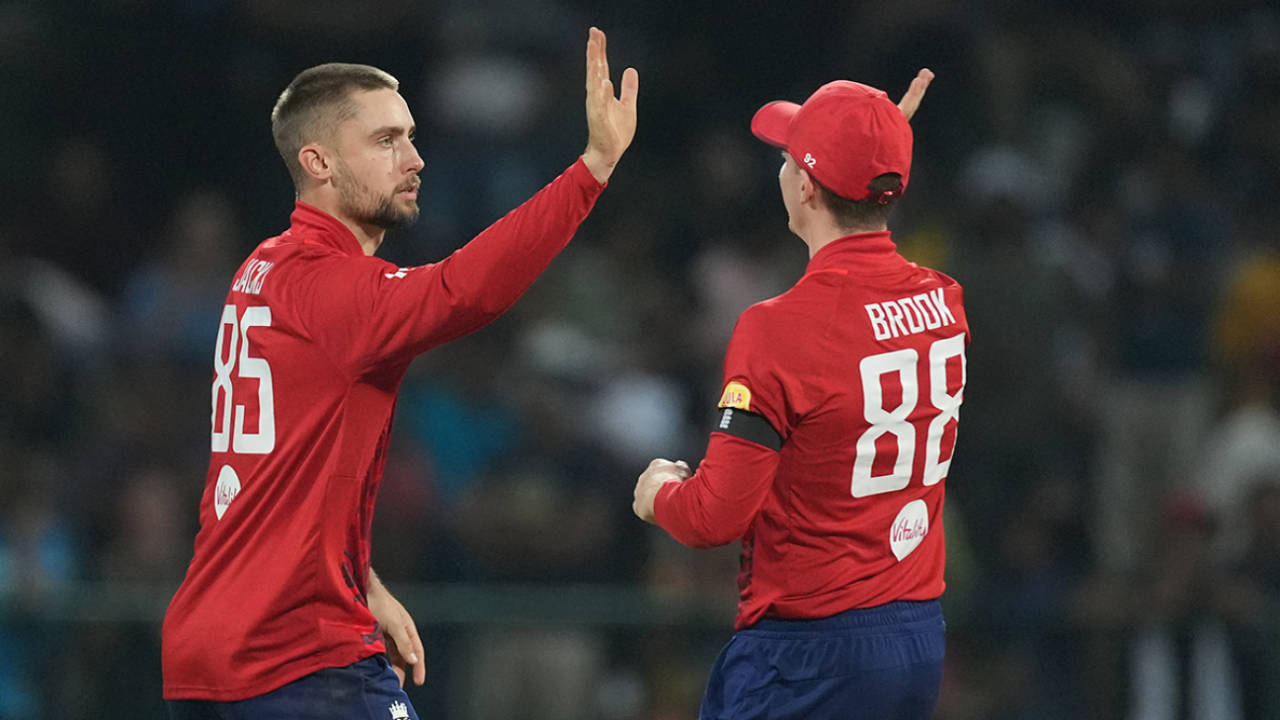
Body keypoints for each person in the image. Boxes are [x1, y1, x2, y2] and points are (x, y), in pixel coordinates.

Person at [161, 27, 637, 720]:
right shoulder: (333, 288)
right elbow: (461, 291)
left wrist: (363, 579)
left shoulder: (260, 268)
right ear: (318, 161)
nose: (414, 159)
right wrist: (591, 169)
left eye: (411, 136)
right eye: (386, 141)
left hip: (208, 646)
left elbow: (284, 471)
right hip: (295, 653)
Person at [632, 70, 967, 720]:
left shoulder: (777, 328)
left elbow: (713, 517)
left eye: (789, 157)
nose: (782, 168)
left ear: (806, 185)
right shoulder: (942, 299)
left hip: (808, 654)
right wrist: (873, 147)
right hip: (918, 642)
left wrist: (658, 494)